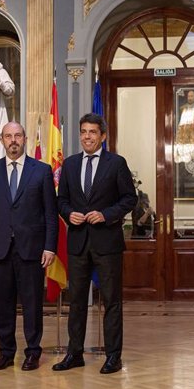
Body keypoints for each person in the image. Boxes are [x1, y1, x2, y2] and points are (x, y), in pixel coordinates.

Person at [52, 113, 137, 374]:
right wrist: (68, 213)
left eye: (92, 132)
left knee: (111, 302)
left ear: (103, 136)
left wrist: (106, 215)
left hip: (107, 242)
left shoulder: (116, 163)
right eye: (83, 132)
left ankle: (113, 357)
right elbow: (61, 200)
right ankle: (74, 354)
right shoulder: (70, 165)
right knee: (76, 301)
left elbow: (129, 199)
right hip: (78, 243)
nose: (87, 136)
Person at [0, 121, 58, 371]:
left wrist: (50, 247)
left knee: (32, 304)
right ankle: (6, 352)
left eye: (18, 135)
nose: (13, 140)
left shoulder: (42, 171)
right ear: (2, 140)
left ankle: (33, 352)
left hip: (32, 249)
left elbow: (50, 214)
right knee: (2, 305)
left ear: (25, 139)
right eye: (8, 136)